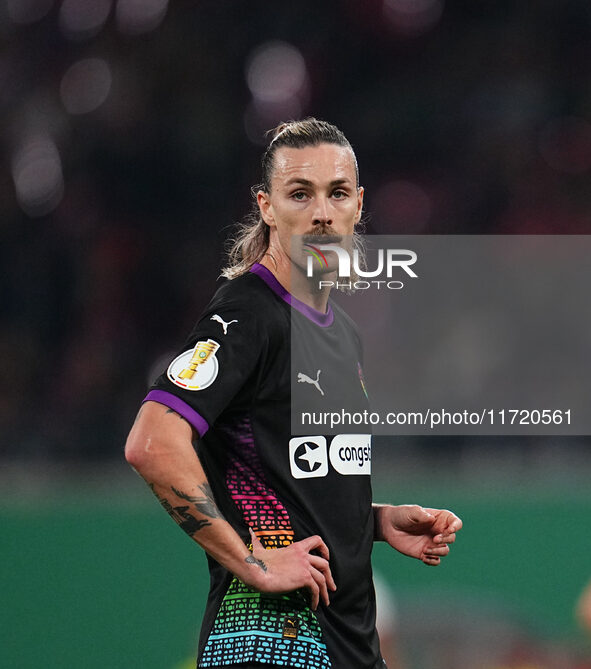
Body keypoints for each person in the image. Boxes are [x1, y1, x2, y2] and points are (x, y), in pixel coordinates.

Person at [125, 118, 462, 669]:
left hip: (348, 643)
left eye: (337, 193)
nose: (322, 212)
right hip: (273, 642)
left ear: (358, 204)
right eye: (300, 194)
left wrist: (374, 521)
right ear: (265, 206)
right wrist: (252, 561)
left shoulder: (340, 331)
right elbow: (153, 443)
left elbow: (295, 474)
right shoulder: (248, 313)